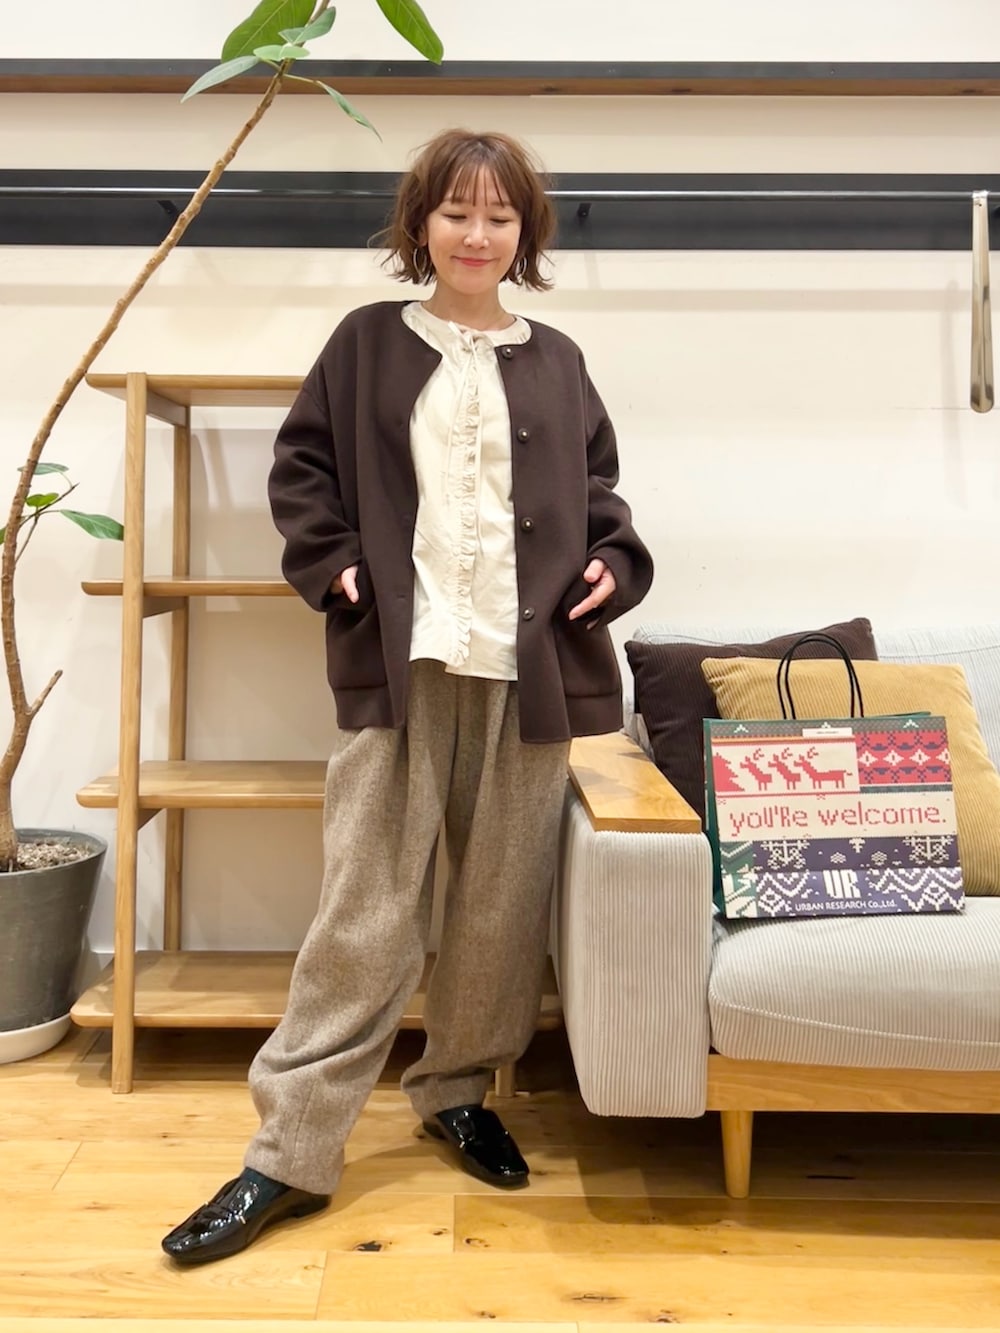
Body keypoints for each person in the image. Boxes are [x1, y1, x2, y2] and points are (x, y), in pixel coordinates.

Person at [161, 128, 653, 1266]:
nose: (478, 234)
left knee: (497, 906)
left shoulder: (559, 359)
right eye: (456, 212)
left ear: (524, 232)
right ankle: (290, 1150)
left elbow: (600, 494)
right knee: (366, 911)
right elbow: (303, 468)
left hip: (529, 670)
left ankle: (456, 1092)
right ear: (421, 224)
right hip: (407, 661)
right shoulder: (367, 343)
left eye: (499, 216)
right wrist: (331, 560)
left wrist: (613, 563)